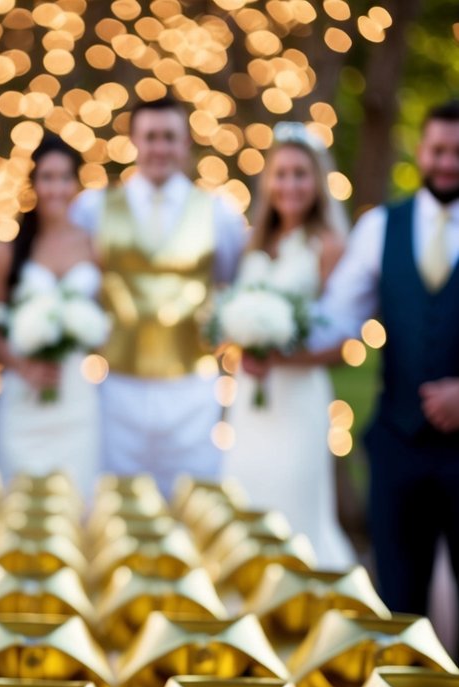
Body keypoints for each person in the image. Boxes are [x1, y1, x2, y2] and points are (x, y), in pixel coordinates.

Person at [317, 99, 459, 616]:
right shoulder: (380, 227)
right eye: (439, 150)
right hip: (398, 444)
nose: (448, 163)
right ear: (421, 150)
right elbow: (336, 318)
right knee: (397, 601)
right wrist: (270, 337)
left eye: (458, 153)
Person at [72, 97, 247, 498]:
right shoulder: (93, 208)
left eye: (170, 137)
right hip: (116, 384)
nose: (159, 148)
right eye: (150, 137)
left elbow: (230, 284)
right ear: (134, 141)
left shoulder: (219, 213)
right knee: (117, 498)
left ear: (186, 144)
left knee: (192, 497)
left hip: (192, 385)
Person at [221, 124, 356, 568]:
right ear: (268, 182)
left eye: (300, 174)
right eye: (281, 174)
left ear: (317, 181)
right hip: (252, 401)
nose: (290, 184)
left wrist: (280, 355)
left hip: (299, 400)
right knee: (247, 499)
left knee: (296, 509)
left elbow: (343, 342)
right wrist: (244, 347)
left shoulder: (330, 246)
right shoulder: (254, 242)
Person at [0, 136, 102, 500]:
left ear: (77, 183)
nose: (56, 188)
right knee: (18, 501)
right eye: (47, 178)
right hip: (23, 397)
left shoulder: (93, 246)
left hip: (75, 399)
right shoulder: (10, 249)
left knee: (77, 502)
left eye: (65, 178)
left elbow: (105, 318)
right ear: (34, 183)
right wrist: (23, 366)